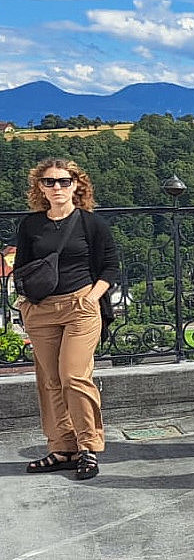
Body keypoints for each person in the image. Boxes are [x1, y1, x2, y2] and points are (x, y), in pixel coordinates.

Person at [15, 158, 118, 482]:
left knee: (74, 376)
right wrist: (25, 304)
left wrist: (90, 298)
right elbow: (23, 267)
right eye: (49, 182)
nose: (56, 187)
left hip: (80, 308)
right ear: (40, 188)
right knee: (50, 381)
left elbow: (111, 268)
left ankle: (88, 447)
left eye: (63, 181)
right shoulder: (31, 225)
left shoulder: (91, 223)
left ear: (77, 185)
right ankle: (62, 448)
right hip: (41, 310)